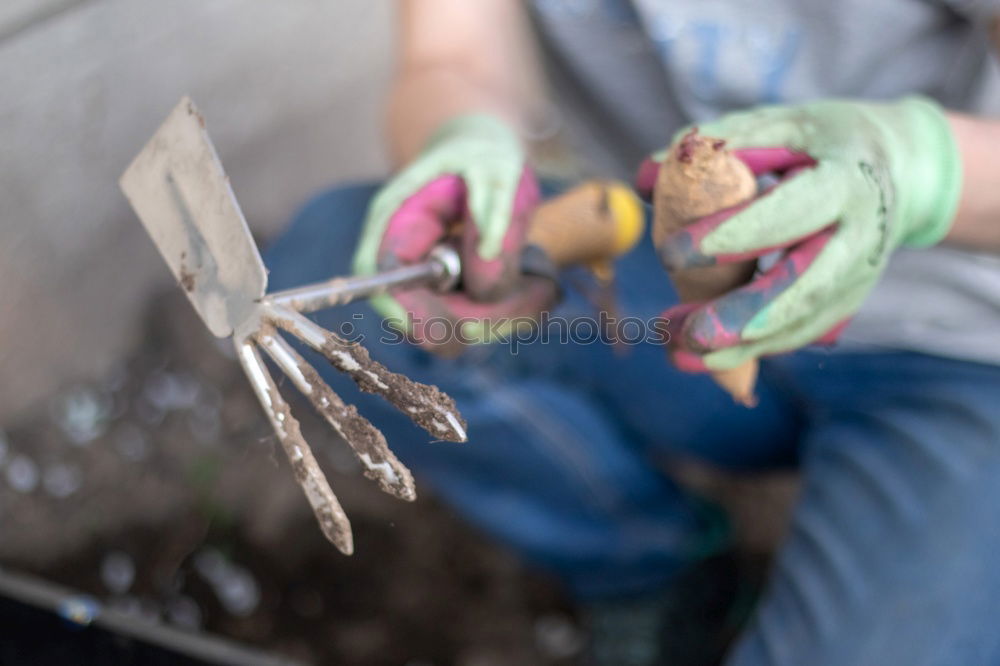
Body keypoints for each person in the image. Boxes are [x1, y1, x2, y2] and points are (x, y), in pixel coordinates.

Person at [264, 1, 1000, 664]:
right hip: (682, 283)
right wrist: (463, 140)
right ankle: (655, 568)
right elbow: (450, 55)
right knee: (334, 292)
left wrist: (917, 167)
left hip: (964, 349)